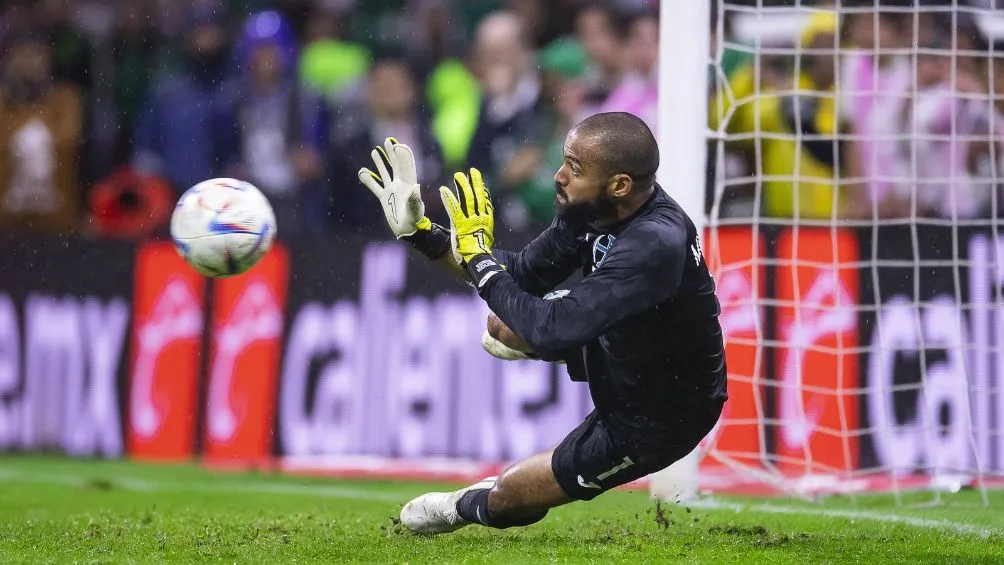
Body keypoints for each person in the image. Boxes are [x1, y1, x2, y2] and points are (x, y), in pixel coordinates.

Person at [356, 112, 728, 534]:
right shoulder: (590, 209)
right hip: (616, 347)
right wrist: (424, 234)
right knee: (503, 325)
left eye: (575, 168)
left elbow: (553, 329)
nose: (559, 176)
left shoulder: (655, 242)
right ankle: (531, 348)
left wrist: (479, 258)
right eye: (564, 161)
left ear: (620, 185)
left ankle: (459, 505)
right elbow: (522, 274)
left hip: (663, 410)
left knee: (508, 498)